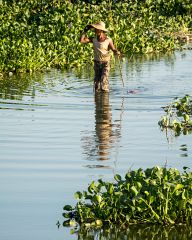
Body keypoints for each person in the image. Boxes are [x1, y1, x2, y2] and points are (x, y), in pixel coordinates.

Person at [79, 21, 120, 92]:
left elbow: (113, 49)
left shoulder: (108, 40)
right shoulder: (93, 39)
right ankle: (98, 100)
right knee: (97, 84)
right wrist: (85, 31)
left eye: (96, 29)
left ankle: (105, 99)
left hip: (106, 63)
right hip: (97, 63)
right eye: (94, 29)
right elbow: (82, 41)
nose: (94, 30)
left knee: (104, 80)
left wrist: (116, 52)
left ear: (101, 31)